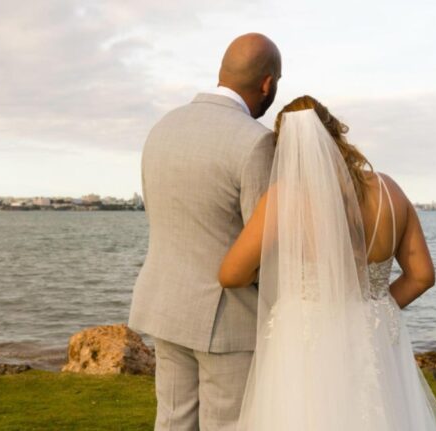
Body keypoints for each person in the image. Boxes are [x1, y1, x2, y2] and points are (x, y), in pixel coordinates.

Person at [219, 96, 436, 430]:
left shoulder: (286, 198)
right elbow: (422, 276)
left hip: (308, 337)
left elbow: (231, 274)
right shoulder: (388, 189)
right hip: (376, 335)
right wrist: (374, 307)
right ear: (335, 133)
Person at [128, 33, 281, 431]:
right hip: (229, 318)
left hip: (166, 305)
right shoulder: (256, 143)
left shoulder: (163, 127)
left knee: (172, 422)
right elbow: (264, 246)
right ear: (267, 83)